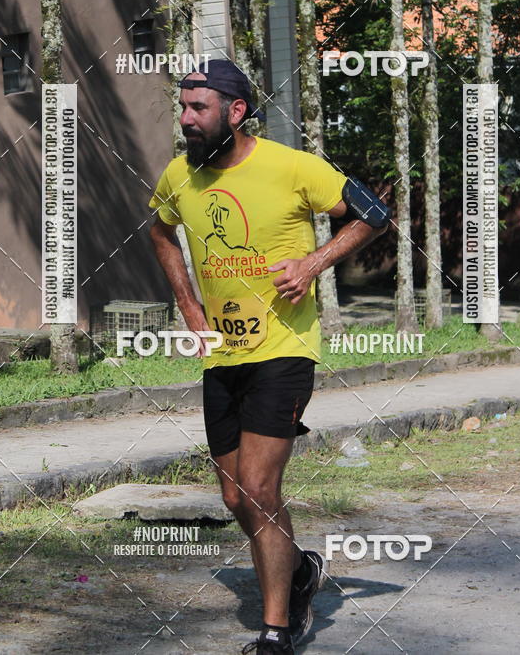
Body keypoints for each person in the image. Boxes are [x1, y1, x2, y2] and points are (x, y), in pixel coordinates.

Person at [148, 60, 389, 655]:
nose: (186, 120)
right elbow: (159, 229)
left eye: (198, 108)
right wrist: (189, 305)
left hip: (283, 349)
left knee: (257, 487)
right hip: (221, 354)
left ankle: (277, 628)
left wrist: (310, 264)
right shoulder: (180, 174)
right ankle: (301, 571)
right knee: (235, 497)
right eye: (182, 108)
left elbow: (374, 215)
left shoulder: (292, 165)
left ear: (235, 112)